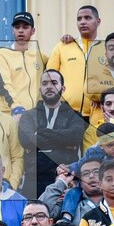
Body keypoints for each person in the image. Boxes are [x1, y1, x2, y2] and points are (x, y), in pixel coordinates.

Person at [18, 68, 89, 198]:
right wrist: (62, 141)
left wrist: (40, 132)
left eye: (54, 83)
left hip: (64, 178)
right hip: (33, 181)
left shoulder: (74, 115)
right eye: (45, 83)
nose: (49, 87)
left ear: (63, 88)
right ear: (40, 89)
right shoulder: (28, 116)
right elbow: (26, 140)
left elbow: (73, 137)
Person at [48, 4, 107, 116]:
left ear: (98, 21)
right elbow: (49, 77)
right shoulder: (63, 46)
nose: (82, 22)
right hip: (66, 114)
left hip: (98, 114)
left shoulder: (107, 49)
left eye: (87, 18)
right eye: (79, 19)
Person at [0, 11, 46, 114]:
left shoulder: (41, 57)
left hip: (35, 118)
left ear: (33, 31)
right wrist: (17, 108)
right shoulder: (1, 55)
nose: (20, 30)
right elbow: (2, 85)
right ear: (13, 31)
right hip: (10, 116)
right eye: (17, 27)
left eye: (25, 27)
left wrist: (66, 42)